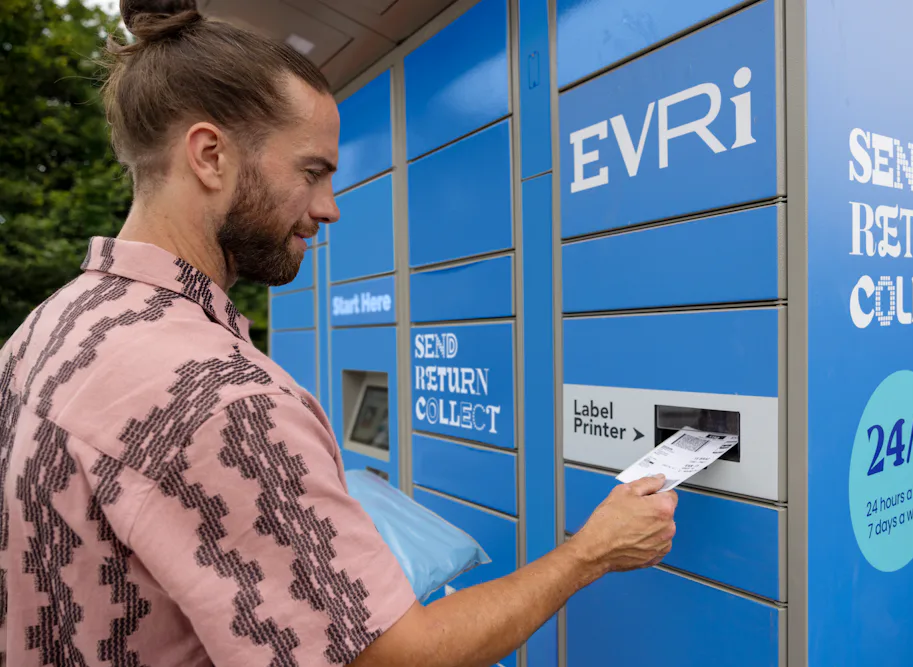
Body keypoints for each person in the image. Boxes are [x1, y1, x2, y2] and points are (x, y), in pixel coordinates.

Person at [0, 0, 679, 665]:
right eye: (312, 172)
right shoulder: (223, 399)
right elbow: (396, 656)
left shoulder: (46, 331)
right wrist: (592, 551)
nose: (329, 208)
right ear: (209, 156)